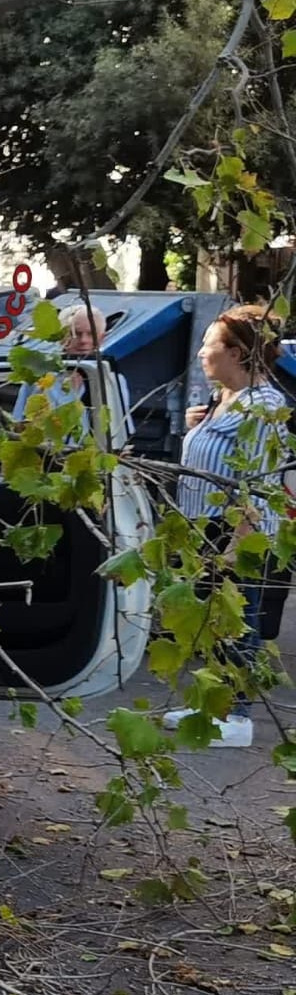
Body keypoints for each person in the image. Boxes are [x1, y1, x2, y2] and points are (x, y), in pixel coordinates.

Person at [164, 304, 289, 747]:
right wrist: (196, 428)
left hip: (237, 531)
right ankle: (206, 706)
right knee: (209, 624)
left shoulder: (264, 408)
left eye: (208, 344)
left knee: (240, 622)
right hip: (204, 526)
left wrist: (236, 547)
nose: (200, 352)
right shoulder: (225, 400)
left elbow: (256, 485)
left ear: (236, 353)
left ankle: (236, 716)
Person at [11, 304, 133, 441]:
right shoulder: (38, 376)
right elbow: (18, 428)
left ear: (101, 338)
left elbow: (121, 433)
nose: (84, 341)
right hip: (44, 456)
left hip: (88, 459)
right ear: (62, 338)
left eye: (91, 334)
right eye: (76, 334)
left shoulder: (111, 380)